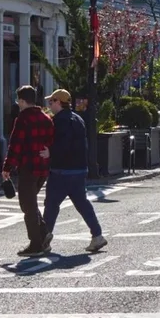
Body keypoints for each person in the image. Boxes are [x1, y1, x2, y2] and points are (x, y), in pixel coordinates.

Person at [42, 89, 107, 254]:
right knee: (82, 204)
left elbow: (63, 144)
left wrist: (50, 152)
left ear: (58, 102)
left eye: (51, 102)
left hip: (61, 170)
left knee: (51, 204)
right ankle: (97, 235)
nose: (49, 105)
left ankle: (44, 237)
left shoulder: (59, 121)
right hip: (79, 170)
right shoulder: (78, 119)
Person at [2, 85, 54, 258]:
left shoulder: (23, 119)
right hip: (43, 168)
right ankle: (44, 233)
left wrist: (7, 168)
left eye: (19, 101)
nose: (18, 104)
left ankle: (36, 244)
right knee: (31, 203)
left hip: (28, 167)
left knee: (27, 205)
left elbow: (15, 145)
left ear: (23, 101)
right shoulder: (46, 118)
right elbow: (52, 141)